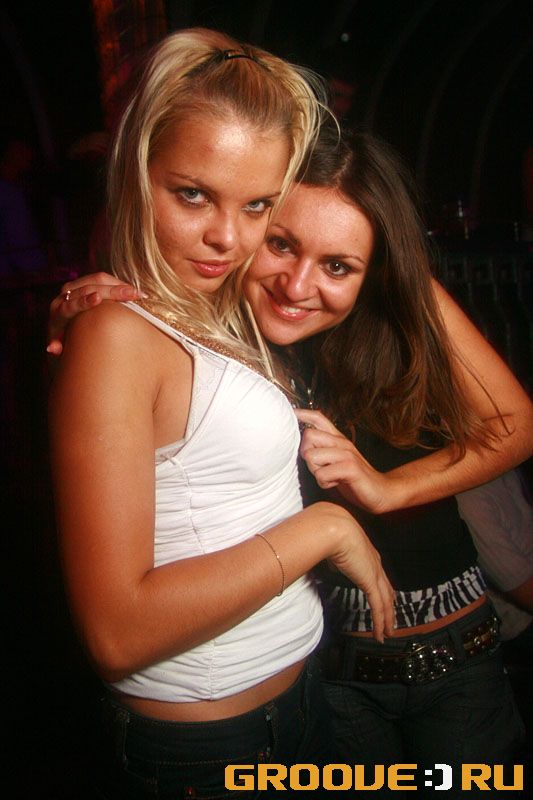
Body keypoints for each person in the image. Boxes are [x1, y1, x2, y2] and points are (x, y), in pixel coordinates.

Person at [49, 124, 533, 796]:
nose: (298, 284)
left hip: (452, 660)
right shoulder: (212, 323)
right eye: (281, 244)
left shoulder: (400, 300)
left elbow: (513, 426)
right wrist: (94, 310)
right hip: (325, 668)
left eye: (338, 267)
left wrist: (385, 489)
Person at [48, 31, 396, 800]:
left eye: (257, 204)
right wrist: (323, 529)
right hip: (212, 748)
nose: (227, 238)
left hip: (293, 699)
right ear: (135, 168)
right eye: (193, 194)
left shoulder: (208, 304)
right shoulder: (116, 335)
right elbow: (117, 634)